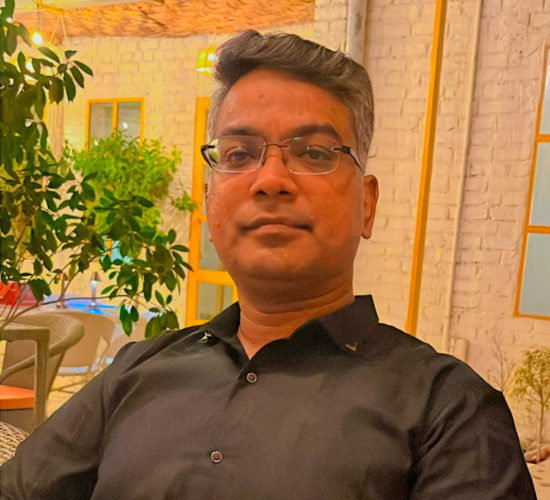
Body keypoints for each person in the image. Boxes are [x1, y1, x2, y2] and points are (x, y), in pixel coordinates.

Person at [0, 30, 536, 499]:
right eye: (239, 154)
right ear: (210, 201)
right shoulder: (137, 369)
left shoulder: (449, 410)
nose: (271, 179)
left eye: (315, 153)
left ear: (367, 205)